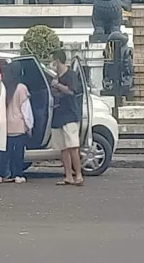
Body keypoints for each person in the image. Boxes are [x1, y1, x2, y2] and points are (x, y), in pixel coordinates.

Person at [49, 50, 83, 186]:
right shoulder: (55, 76)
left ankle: (78, 175)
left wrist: (57, 85)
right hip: (58, 114)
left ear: (57, 61)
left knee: (73, 147)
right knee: (63, 148)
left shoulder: (71, 75)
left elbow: (71, 91)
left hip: (70, 114)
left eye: (52, 61)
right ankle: (68, 175)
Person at [3, 62, 34, 184]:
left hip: (7, 125)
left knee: (9, 152)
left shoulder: (5, 86)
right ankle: (18, 174)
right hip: (19, 125)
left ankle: (8, 173)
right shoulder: (21, 88)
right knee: (19, 153)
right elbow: (26, 109)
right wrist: (29, 126)